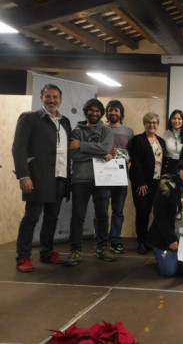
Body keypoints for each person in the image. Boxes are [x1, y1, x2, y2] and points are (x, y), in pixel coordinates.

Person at [12, 83, 71, 272]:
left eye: (55, 97)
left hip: (60, 178)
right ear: (41, 98)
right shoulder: (29, 118)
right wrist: (23, 176)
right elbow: (18, 149)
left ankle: (47, 252)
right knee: (31, 218)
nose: (52, 100)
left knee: (52, 218)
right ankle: (23, 257)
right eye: (48, 96)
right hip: (37, 178)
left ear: (60, 100)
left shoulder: (66, 122)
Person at [66, 98, 114, 266]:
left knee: (102, 215)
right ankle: (75, 250)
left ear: (101, 113)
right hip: (80, 180)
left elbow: (106, 148)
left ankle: (102, 248)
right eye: (91, 110)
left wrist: (83, 146)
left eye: (97, 111)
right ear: (86, 111)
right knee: (77, 216)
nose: (94, 113)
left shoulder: (106, 130)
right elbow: (74, 155)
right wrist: (99, 153)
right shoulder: (77, 131)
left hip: (102, 179)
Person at [129, 112, 168, 255]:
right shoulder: (137, 140)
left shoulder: (161, 141)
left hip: (157, 184)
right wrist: (140, 182)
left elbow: (162, 163)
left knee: (154, 213)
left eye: (155, 122)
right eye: (149, 122)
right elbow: (136, 163)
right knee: (142, 212)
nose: (152, 125)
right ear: (144, 124)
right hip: (142, 184)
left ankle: (149, 240)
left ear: (158, 125)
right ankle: (141, 241)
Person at [103, 100, 134, 254]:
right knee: (101, 211)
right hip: (103, 175)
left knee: (118, 211)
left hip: (121, 176)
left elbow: (131, 153)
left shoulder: (129, 132)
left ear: (121, 113)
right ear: (107, 112)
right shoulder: (100, 128)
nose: (113, 113)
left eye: (116, 110)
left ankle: (115, 240)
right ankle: (101, 241)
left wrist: (129, 159)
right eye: (111, 110)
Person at [162, 109, 183, 174]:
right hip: (168, 166)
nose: (176, 121)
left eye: (179, 119)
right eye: (174, 118)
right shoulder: (165, 134)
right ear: (171, 120)